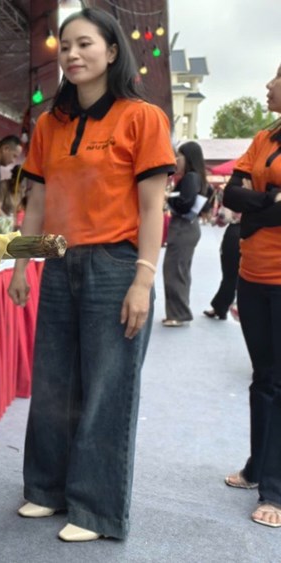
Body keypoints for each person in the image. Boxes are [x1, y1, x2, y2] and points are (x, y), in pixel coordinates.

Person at [7, 8, 175, 542]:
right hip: (58, 262)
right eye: (66, 45)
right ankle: (46, 490)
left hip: (116, 265)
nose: (72, 54)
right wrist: (21, 264)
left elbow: (153, 210)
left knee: (107, 387)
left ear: (111, 51)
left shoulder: (141, 117)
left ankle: (96, 510)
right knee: (54, 381)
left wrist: (144, 281)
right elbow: (36, 202)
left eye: (86, 44)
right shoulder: (49, 123)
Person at [220, 62, 281, 529]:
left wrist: (251, 210)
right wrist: (268, 206)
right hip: (253, 274)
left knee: (278, 382)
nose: (268, 84)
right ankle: (257, 466)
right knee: (262, 377)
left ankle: (275, 491)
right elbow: (232, 197)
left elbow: (245, 201)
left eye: (276, 78)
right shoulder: (264, 138)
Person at [162, 141, 211, 326]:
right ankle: (179, 311)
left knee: (174, 271)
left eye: (179, 156)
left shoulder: (190, 177)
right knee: (180, 270)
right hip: (188, 227)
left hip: (183, 227)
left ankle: (178, 314)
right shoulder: (197, 177)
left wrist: (167, 198)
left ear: (188, 157)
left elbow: (184, 203)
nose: (176, 160)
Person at [204, 205, 241, 320]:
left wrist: (214, 219)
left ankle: (221, 307)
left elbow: (224, 218)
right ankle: (220, 306)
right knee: (234, 276)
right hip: (252, 236)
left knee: (230, 276)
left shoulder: (238, 193)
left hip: (235, 234)